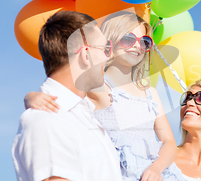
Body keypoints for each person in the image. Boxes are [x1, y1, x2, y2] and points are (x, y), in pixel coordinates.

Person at [24, 11, 185, 181]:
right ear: (111, 42)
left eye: (144, 42)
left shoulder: (150, 92)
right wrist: (30, 97)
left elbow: (168, 141)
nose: (137, 46)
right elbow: (63, 91)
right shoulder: (99, 85)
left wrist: (157, 168)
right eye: (129, 39)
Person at [12, 11, 122, 181]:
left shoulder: (84, 116)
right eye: (105, 48)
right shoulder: (48, 120)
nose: (109, 56)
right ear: (86, 55)